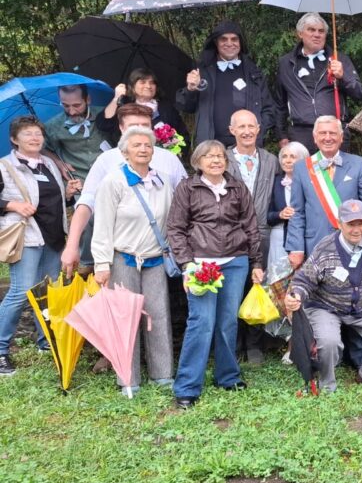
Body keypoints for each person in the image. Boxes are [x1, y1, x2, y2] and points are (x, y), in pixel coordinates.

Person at [166, 140, 264, 409]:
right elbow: (175, 228)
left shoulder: (236, 187)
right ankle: (187, 386)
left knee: (227, 322)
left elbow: (251, 225)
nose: (216, 160)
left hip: (235, 261)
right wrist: (187, 264)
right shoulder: (187, 188)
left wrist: (256, 262)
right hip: (201, 264)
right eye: (209, 156)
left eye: (220, 156)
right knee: (201, 322)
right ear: (198, 161)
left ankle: (228, 376)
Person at [284, 200, 362, 393]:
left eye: (360, 223)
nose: (356, 229)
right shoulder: (325, 247)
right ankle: (327, 384)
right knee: (329, 342)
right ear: (340, 224)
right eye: (350, 224)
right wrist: (296, 295)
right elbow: (304, 280)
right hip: (326, 307)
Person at [90, 127, 174, 396]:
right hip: (122, 258)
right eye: (136, 145)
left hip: (154, 259)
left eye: (147, 145)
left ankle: (162, 374)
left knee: (159, 316)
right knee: (124, 321)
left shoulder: (162, 180)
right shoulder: (113, 181)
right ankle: (128, 379)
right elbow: (102, 224)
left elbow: (171, 220)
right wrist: (102, 264)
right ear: (125, 150)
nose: (143, 149)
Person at [60, 104, 187, 276]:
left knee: (160, 301)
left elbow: (186, 201)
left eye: (145, 126)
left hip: (161, 250)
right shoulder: (107, 160)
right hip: (120, 251)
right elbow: (86, 203)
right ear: (121, 128)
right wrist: (72, 246)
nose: (140, 131)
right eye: (133, 127)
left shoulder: (168, 159)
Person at [0, 117, 77, 376]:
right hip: (27, 236)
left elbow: (52, 202)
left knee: (47, 292)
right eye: (27, 134)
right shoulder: (4, 166)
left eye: (37, 133)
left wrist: (68, 193)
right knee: (21, 291)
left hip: (54, 237)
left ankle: (46, 342)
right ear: (14, 139)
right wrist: (12, 205)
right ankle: (1, 350)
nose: (34, 138)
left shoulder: (49, 165)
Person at [286, 117, 362, 269]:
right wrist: (296, 247)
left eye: (332, 133)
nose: (327, 137)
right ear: (315, 138)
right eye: (322, 133)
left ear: (341, 137)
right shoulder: (301, 167)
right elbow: (296, 212)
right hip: (315, 243)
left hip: (352, 240)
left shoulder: (358, 163)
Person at [225, 109, 278, 365]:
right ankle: (232, 344)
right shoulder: (221, 158)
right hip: (229, 235)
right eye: (241, 127)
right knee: (232, 291)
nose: (246, 131)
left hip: (263, 233)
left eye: (251, 126)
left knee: (257, 287)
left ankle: (255, 344)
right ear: (231, 130)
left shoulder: (271, 159)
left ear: (259, 129)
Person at [274, 13, 362, 153]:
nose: (317, 34)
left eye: (321, 31)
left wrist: (343, 76)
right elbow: (280, 103)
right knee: (304, 174)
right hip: (300, 134)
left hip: (333, 131)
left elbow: (360, 94)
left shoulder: (338, 59)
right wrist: (281, 135)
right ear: (300, 33)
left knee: (334, 175)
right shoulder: (286, 63)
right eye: (311, 30)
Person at [176, 21, 277, 146]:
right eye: (224, 39)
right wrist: (191, 89)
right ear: (216, 43)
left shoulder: (254, 72)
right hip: (212, 146)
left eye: (234, 39)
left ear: (240, 42)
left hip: (246, 145)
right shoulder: (202, 71)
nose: (229, 43)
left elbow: (269, 108)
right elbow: (185, 107)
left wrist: (257, 131)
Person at [43, 84, 105, 270]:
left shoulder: (104, 116)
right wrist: (58, 161)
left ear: (88, 100)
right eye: (65, 105)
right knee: (85, 217)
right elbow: (43, 148)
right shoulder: (53, 125)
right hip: (79, 179)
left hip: (107, 176)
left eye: (77, 105)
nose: (71, 110)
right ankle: (85, 265)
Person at [99, 68, 192, 158]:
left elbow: (183, 136)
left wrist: (175, 152)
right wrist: (116, 97)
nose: (148, 86)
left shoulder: (166, 108)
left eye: (152, 83)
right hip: (128, 158)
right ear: (132, 86)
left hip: (162, 158)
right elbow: (104, 124)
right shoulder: (124, 106)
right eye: (142, 82)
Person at [266, 141, 310, 273]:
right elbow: (268, 216)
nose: (288, 160)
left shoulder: (312, 182)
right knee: (278, 283)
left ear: (303, 160)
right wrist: (280, 214)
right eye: (284, 157)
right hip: (279, 238)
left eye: (293, 157)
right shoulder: (276, 182)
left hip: (304, 238)